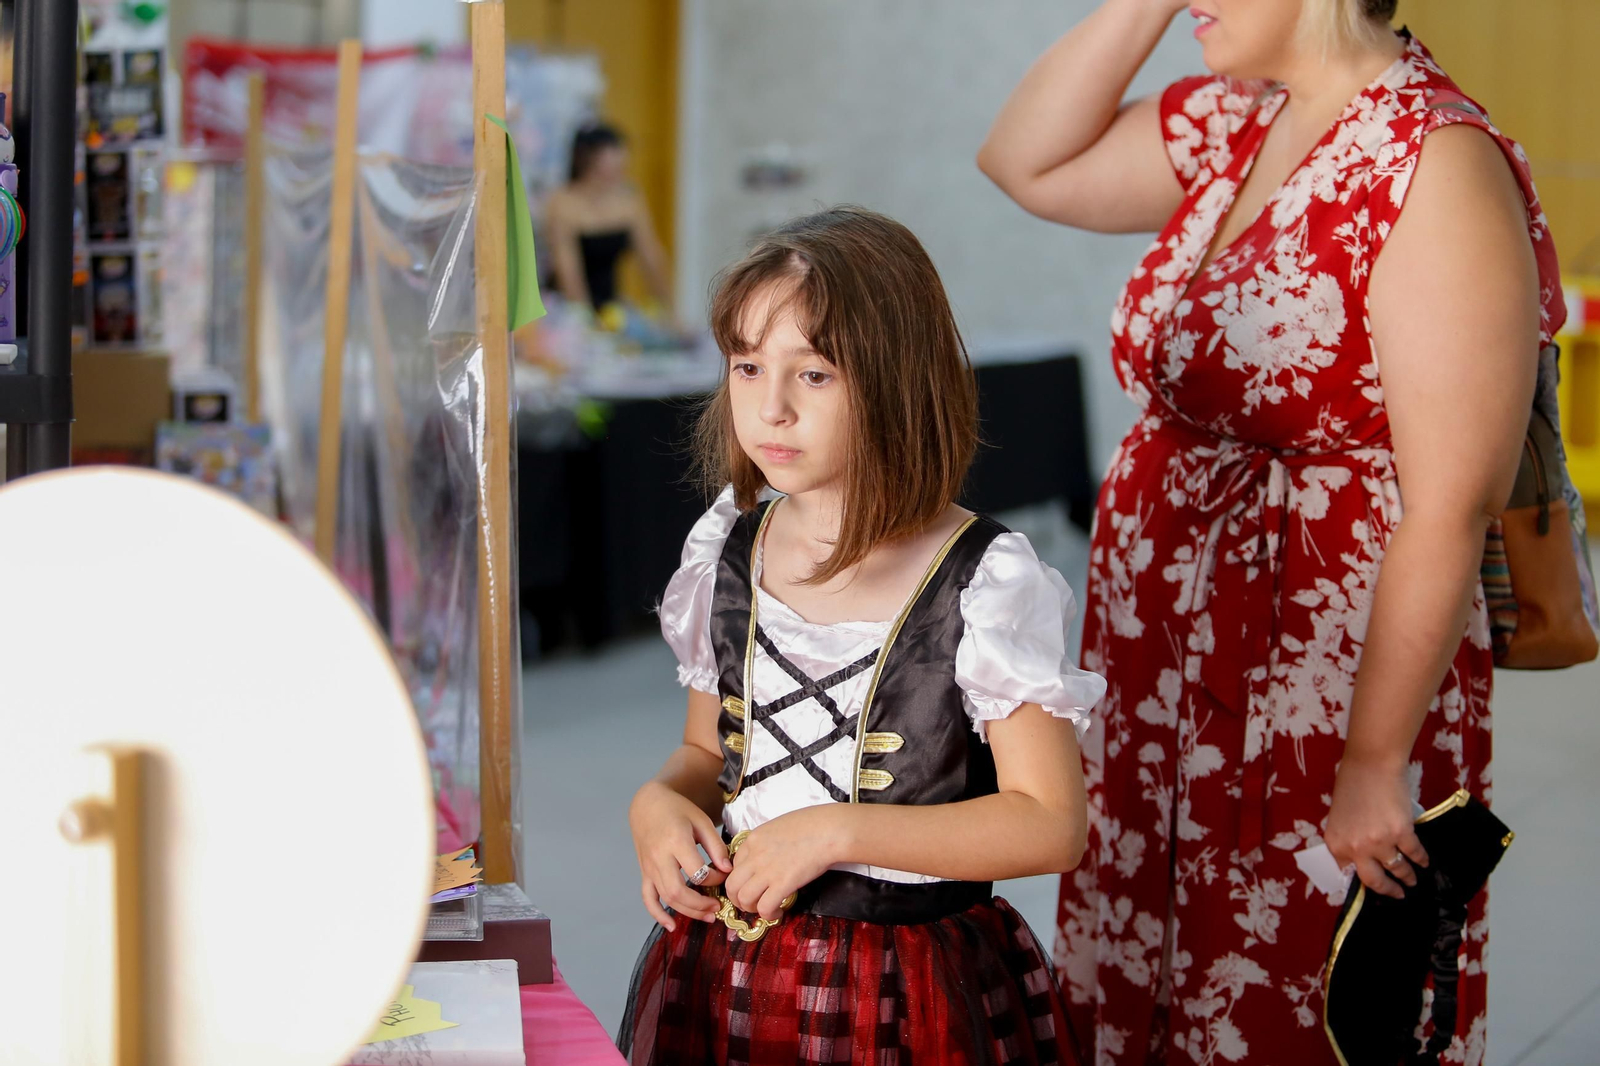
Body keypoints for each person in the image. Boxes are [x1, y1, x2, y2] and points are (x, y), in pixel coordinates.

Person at [979, 1, 1564, 1062]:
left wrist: (1374, 760)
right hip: (1164, 662)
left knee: (1291, 978)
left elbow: (1449, 501)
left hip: (1320, 677)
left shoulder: (1433, 161)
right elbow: (1024, 160)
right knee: (1148, 953)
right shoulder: (1241, 117)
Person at [619, 206, 1107, 1065]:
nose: (769, 408)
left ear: (895, 380)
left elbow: (1050, 824)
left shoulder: (984, 579)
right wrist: (657, 804)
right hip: (729, 972)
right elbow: (704, 756)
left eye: (813, 375)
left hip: (908, 991)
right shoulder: (727, 549)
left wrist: (839, 829)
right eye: (746, 366)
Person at [545, 122, 673, 314]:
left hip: (611, 307)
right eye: (610, 156)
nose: (620, 163)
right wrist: (586, 322)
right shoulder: (562, 204)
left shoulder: (628, 199)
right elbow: (568, 275)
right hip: (566, 309)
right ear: (586, 160)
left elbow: (652, 258)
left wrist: (670, 311)